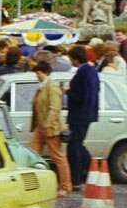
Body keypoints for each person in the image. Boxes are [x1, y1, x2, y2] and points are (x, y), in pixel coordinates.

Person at [28, 61, 71, 198]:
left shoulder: (52, 86)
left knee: (58, 157)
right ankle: (32, 184)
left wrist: (46, 125)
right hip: (41, 127)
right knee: (32, 155)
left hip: (50, 128)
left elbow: (55, 108)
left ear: (44, 72)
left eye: (38, 73)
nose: (36, 76)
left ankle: (65, 186)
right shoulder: (41, 87)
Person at [66, 44, 100, 188]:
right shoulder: (91, 71)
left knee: (74, 147)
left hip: (79, 115)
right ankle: (93, 168)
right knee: (78, 145)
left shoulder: (83, 72)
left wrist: (68, 91)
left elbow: (80, 96)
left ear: (75, 59)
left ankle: (76, 179)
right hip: (87, 114)